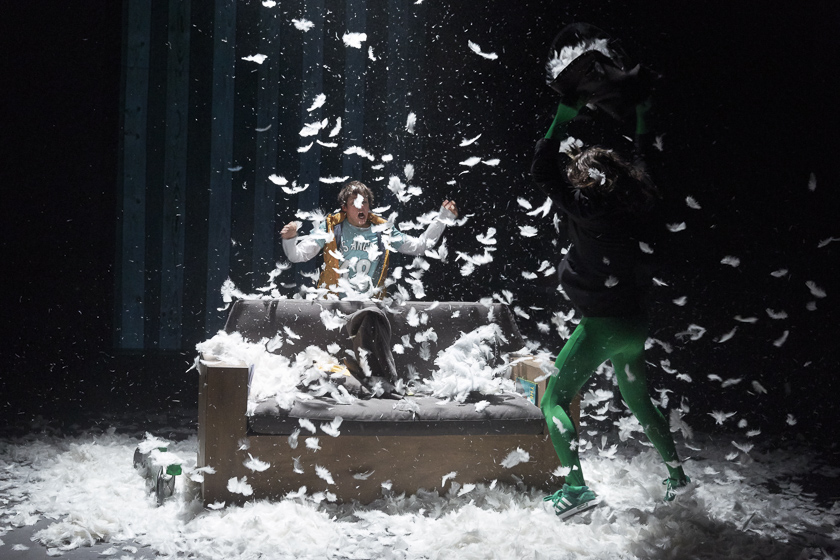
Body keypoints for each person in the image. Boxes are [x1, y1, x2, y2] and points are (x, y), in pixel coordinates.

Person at [531, 105, 690, 520]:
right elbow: (645, 163)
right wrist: (643, 115)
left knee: (553, 399)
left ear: (585, 180)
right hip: (634, 324)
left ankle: (575, 489)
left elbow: (542, 171)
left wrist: (561, 116)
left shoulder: (584, 207)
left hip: (602, 325)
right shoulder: (636, 202)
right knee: (639, 401)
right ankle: (678, 478)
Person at [280, 180, 458, 396]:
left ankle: (384, 383)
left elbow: (420, 246)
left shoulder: (382, 229)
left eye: (364, 202)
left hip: (368, 309)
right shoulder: (331, 226)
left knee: (371, 318)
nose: (360, 207)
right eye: (354, 203)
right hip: (334, 309)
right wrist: (290, 239)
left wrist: (442, 219)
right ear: (344, 207)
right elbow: (297, 255)